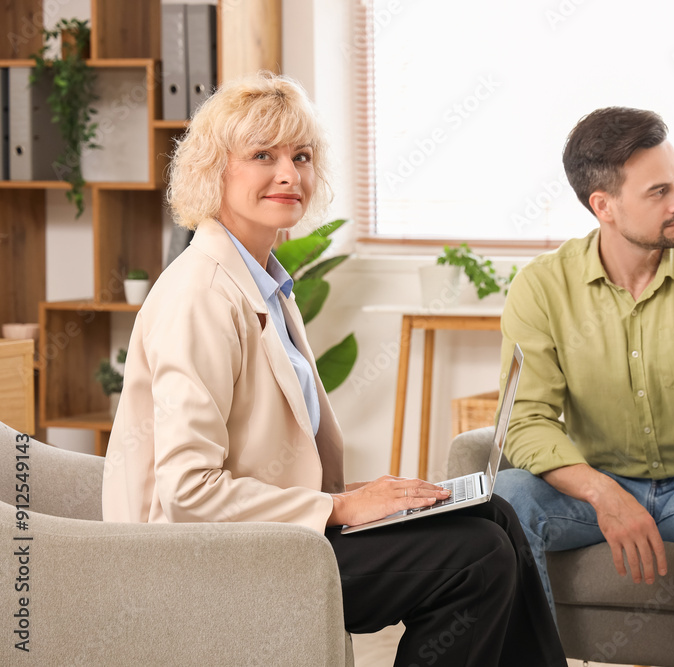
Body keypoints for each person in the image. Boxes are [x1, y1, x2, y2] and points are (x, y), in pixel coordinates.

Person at [101, 72, 565, 667]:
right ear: (215, 169)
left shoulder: (265, 282)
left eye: (302, 155)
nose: (290, 174)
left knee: (491, 513)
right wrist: (341, 507)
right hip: (208, 560)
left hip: (272, 533)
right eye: (263, 156)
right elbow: (188, 491)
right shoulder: (203, 294)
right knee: (477, 558)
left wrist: (362, 496)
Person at [492, 106, 674, 666]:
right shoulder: (542, 288)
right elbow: (526, 421)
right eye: (659, 192)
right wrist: (603, 494)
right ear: (604, 205)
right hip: (587, 488)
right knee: (508, 497)